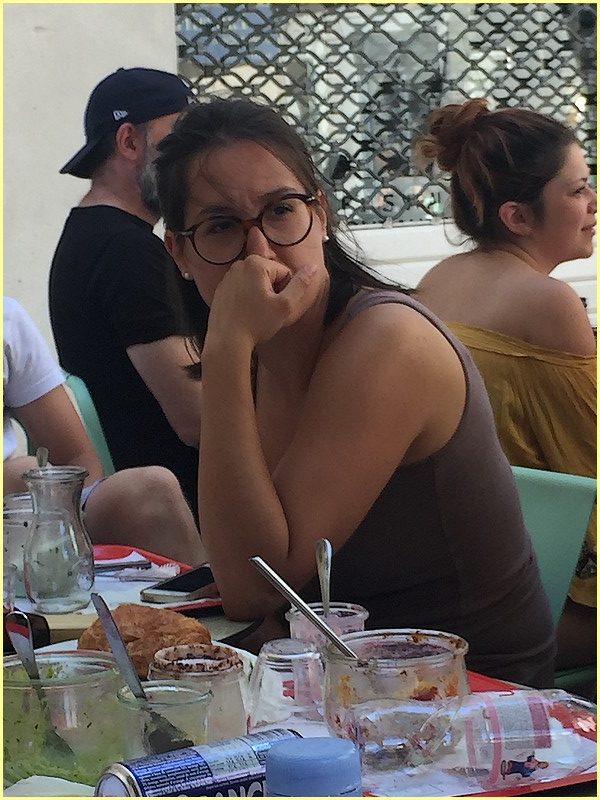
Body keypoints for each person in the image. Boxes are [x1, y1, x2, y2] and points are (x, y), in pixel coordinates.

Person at [154, 97, 555, 687]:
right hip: (341, 683)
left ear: (322, 214)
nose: (259, 253)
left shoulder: (388, 340)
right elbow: (258, 581)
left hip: (467, 699)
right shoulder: (264, 351)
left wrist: (227, 346)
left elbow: (255, 586)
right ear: (180, 253)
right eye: (220, 226)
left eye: (281, 211)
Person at [413, 98, 596, 671]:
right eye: (578, 190)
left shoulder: (440, 279)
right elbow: (589, 460)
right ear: (517, 217)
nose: (593, 203)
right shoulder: (548, 302)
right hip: (538, 594)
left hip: (452, 576)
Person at [49, 67, 209, 512]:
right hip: (181, 515)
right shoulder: (126, 251)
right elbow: (197, 419)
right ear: (130, 142)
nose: (194, 160)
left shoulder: (94, 235)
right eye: (181, 140)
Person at [4, 297, 207, 565]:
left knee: (152, 490)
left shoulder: (7, 318)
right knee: (21, 472)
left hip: (15, 523)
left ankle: (203, 593)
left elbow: (77, 461)